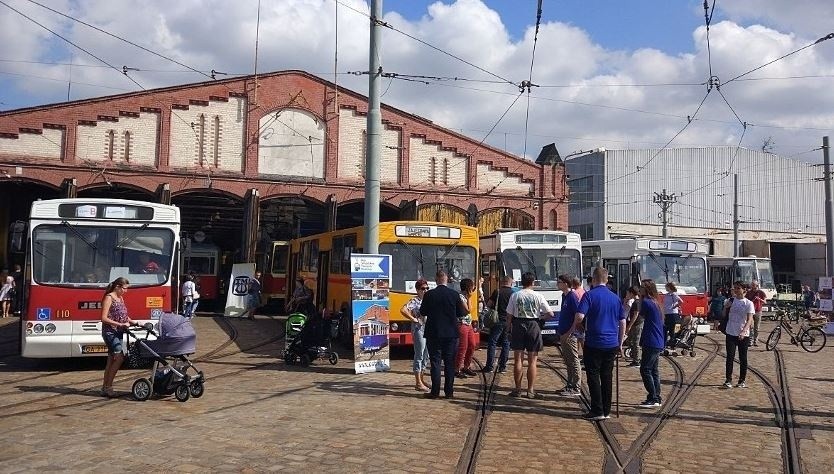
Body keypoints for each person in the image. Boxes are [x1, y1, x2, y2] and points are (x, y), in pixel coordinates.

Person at [575, 267, 625, 421]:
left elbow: (579, 316)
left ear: (593, 279)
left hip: (594, 342)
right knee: (607, 376)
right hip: (611, 343)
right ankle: (606, 409)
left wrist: (580, 327)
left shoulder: (589, 295)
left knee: (593, 376)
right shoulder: (615, 298)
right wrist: (620, 342)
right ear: (607, 279)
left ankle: (597, 409)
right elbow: (622, 322)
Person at [506, 271, 553, 399]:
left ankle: (517, 389)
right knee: (532, 361)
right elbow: (550, 314)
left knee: (518, 360)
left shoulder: (515, 296)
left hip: (518, 325)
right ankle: (530, 390)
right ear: (533, 282)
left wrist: (508, 330)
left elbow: (509, 315)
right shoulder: (538, 296)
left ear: (522, 282)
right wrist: (541, 318)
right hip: (533, 325)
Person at [420, 270, 467, 399]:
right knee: (449, 363)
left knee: (435, 362)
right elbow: (461, 313)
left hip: (433, 332)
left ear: (436, 280)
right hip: (451, 333)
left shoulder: (429, 294)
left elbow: (423, 312)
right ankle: (449, 392)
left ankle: (435, 392)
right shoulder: (454, 294)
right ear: (447, 280)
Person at [100, 277, 134, 397]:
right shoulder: (109, 298)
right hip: (110, 332)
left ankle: (105, 387)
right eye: (125, 289)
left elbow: (123, 315)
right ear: (118, 287)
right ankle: (109, 387)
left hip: (119, 332)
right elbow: (103, 318)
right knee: (119, 357)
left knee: (111, 360)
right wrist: (120, 324)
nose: (126, 291)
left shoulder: (120, 298)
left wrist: (133, 322)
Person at [637, 279, 665, 408]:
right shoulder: (656, 302)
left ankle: (653, 397)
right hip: (657, 340)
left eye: (642, 287)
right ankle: (655, 396)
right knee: (654, 370)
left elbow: (640, 316)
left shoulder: (647, 302)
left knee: (645, 369)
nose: (639, 289)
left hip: (651, 340)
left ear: (647, 289)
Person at [723, 281, 754, 389]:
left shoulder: (748, 303)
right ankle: (728, 379)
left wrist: (743, 331)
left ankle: (742, 380)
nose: (736, 290)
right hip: (731, 332)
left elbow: (750, 319)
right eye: (735, 288)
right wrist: (726, 307)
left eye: (738, 288)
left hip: (743, 334)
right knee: (730, 357)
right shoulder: (731, 300)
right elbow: (723, 315)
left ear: (744, 290)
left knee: (743, 358)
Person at [401, 278, 430, 392]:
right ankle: (418, 382)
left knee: (426, 355)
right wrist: (413, 319)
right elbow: (403, 309)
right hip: (419, 329)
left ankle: (422, 380)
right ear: (418, 290)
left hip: (428, 329)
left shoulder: (428, 300)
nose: (425, 290)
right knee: (419, 354)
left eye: (427, 288)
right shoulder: (415, 301)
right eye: (423, 289)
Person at [483, 275, 514, 374]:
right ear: (510, 283)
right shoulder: (513, 294)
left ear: (502, 282)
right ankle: (502, 367)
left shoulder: (497, 292)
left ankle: (489, 366)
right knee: (506, 343)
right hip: (508, 321)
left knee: (492, 342)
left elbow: (488, 304)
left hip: (497, 320)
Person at [557, 274, 582, 397]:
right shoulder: (564, 296)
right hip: (563, 333)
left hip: (570, 334)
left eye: (559, 282)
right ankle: (569, 384)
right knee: (567, 360)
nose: (558, 283)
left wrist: (570, 332)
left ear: (566, 283)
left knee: (573, 360)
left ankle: (576, 386)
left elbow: (578, 317)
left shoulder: (572, 297)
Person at [455, 278, 478, 378]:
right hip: (462, 324)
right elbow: (468, 309)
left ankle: (466, 366)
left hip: (468, 324)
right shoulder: (461, 297)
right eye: (472, 286)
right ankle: (457, 369)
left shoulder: (466, 296)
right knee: (462, 347)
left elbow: (471, 309)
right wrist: (469, 298)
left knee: (472, 345)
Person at [623, 286, 642, 367]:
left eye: (628, 293)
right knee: (631, 340)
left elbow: (635, 314)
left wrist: (629, 325)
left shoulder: (637, 302)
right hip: (635, 323)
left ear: (631, 293)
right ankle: (634, 356)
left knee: (636, 342)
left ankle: (637, 360)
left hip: (637, 323)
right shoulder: (636, 301)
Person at [745, 280, 766, 346]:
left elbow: (765, 302)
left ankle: (755, 341)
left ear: (757, 285)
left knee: (757, 327)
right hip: (751, 311)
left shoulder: (761, 292)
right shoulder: (749, 292)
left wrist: (759, 299)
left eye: (753, 285)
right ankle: (750, 341)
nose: (752, 286)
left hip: (758, 311)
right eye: (752, 284)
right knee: (751, 326)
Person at [662, 282, 683, 348]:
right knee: (665, 329)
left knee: (673, 330)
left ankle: (673, 343)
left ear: (669, 287)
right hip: (667, 314)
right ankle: (665, 344)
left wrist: (675, 306)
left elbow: (681, 301)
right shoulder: (667, 295)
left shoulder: (673, 294)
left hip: (673, 314)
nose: (665, 288)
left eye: (666, 287)